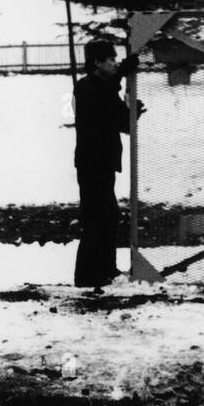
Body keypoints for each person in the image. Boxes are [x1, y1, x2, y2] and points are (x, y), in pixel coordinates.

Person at [73, 39, 145, 288]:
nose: (115, 64)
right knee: (95, 218)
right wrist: (121, 75)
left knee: (109, 217)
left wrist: (133, 112)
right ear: (97, 63)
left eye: (116, 60)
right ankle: (85, 276)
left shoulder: (107, 89)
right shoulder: (84, 88)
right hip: (90, 164)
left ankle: (105, 269)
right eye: (111, 60)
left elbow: (119, 123)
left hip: (105, 162)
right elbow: (98, 101)